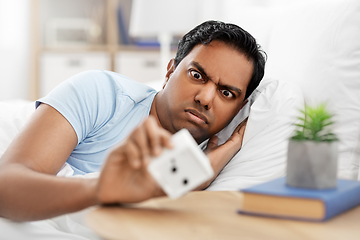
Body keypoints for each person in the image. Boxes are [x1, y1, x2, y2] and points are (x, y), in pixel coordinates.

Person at [0, 20, 266, 221]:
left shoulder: (210, 158)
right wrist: (102, 189)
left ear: (239, 108)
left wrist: (204, 166)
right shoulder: (100, 92)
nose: (206, 98)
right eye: (197, 75)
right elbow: (6, 187)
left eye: (226, 93)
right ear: (170, 70)